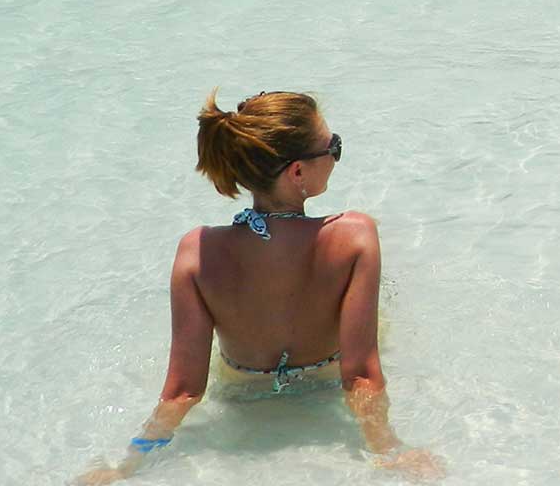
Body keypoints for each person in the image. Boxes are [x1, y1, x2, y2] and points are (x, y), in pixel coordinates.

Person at [76, 91, 444, 481]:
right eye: (333, 147)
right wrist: (390, 451)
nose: (336, 155)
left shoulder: (196, 252)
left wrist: (126, 466)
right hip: (322, 388)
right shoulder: (355, 237)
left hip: (241, 396)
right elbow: (360, 377)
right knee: (386, 305)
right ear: (297, 172)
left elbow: (182, 392)